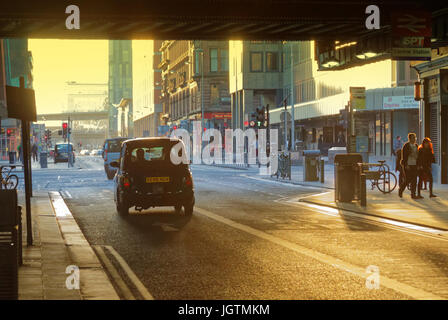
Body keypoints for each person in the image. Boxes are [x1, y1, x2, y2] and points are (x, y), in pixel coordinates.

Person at [398, 133, 421, 199]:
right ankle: (401, 190)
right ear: (410, 138)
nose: (414, 139)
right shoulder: (406, 145)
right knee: (408, 179)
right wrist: (406, 165)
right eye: (413, 138)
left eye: (415, 137)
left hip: (415, 165)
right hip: (408, 165)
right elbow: (404, 156)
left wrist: (418, 165)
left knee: (414, 180)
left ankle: (413, 194)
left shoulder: (416, 145)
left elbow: (418, 156)